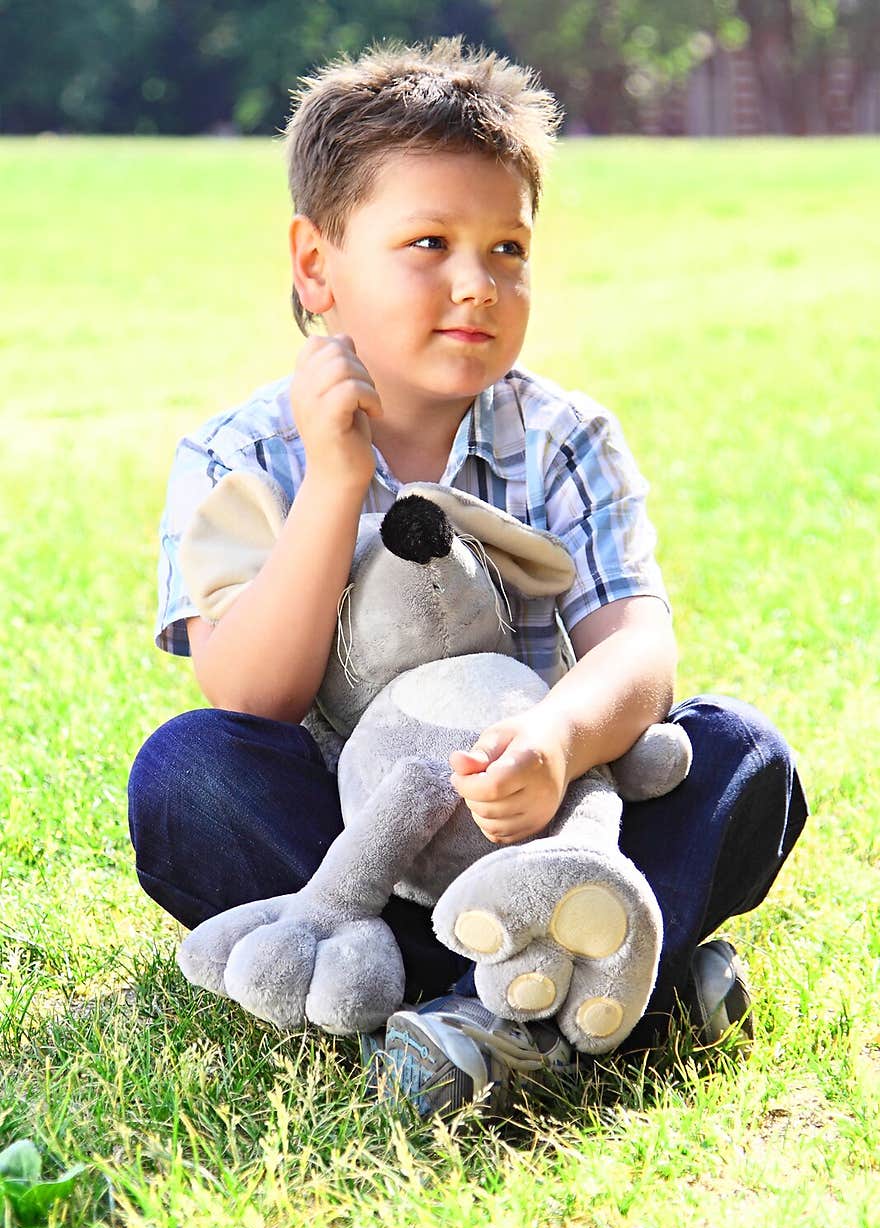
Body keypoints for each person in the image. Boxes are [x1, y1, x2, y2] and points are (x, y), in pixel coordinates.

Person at [128, 36, 808, 1120]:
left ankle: (493, 1015)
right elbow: (252, 693)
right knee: (188, 777)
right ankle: (600, 994)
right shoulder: (238, 453)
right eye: (428, 242)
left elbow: (637, 649)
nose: (475, 284)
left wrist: (556, 742)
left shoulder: (565, 436)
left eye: (506, 249)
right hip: (357, 850)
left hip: (545, 828)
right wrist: (336, 481)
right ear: (317, 265)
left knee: (741, 755)